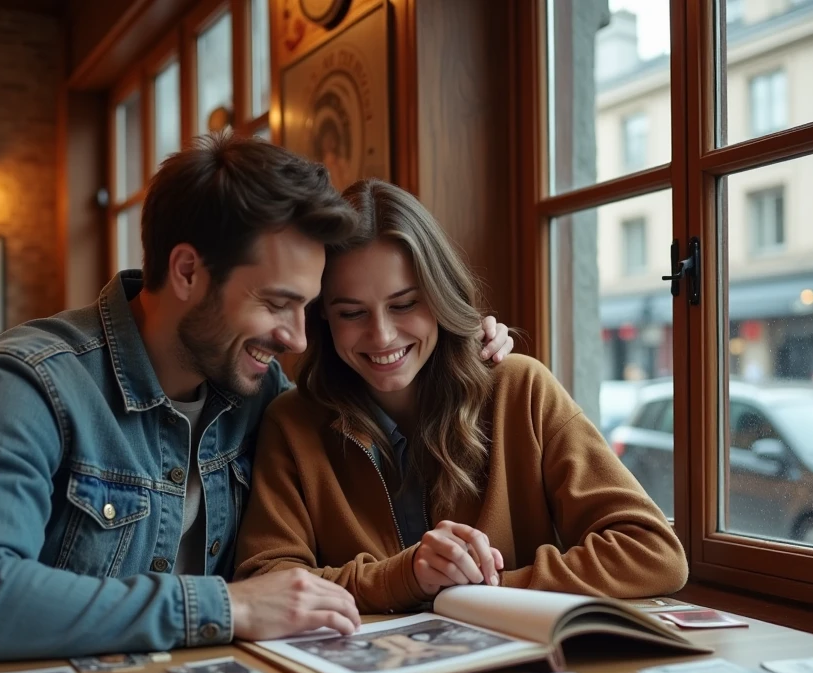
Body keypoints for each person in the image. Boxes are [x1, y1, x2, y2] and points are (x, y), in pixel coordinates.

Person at [0, 136, 514, 666]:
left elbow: (365, 396)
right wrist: (228, 606)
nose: (297, 340)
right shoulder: (26, 384)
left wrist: (460, 350)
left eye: (307, 309)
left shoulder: (261, 393)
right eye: (276, 303)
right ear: (186, 271)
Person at [233, 179, 688, 613]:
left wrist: (487, 591)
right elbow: (265, 578)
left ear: (439, 295)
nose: (382, 335)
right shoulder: (291, 423)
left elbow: (653, 553)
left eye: (404, 304)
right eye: (352, 313)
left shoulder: (521, 390)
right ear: (323, 318)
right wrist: (402, 577)